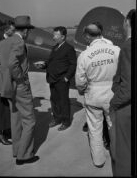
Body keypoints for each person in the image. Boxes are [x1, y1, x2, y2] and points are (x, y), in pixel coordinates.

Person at [0, 16, 39, 165]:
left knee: (15, 120)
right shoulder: (19, 42)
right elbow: (12, 63)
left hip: (8, 87)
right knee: (29, 120)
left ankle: (17, 151)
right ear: (26, 30)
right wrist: (18, 77)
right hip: (20, 86)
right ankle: (24, 155)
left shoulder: (3, 42)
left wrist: (3, 74)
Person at [75, 22, 120, 168]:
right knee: (113, 127)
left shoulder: (84, 55)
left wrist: (83, 90)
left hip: (93, 95)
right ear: (101, 32)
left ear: (87, 36)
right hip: (112, 94)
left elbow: (80, 81)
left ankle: (98, 161)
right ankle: (117, 156)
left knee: (94, 130)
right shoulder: (116, 50)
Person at [34, 26, 77, 131]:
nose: (53, 36)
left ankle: (66, 121)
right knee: (54, 100)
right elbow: (50, 61)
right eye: (54, 34)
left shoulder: (69, 48)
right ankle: (57, 118)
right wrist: (43, 64)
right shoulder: (55, 47)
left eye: (55, 34)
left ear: (62, 36)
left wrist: (67, 77)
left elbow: (73, 64)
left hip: (62, 80)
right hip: (52, 79)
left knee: (63, 101)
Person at [109, 9, 135, 176]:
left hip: (126, 107)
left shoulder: (128, 46)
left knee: (123, 153)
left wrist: (114, 104)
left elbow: (128, 87)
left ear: (127, 22)